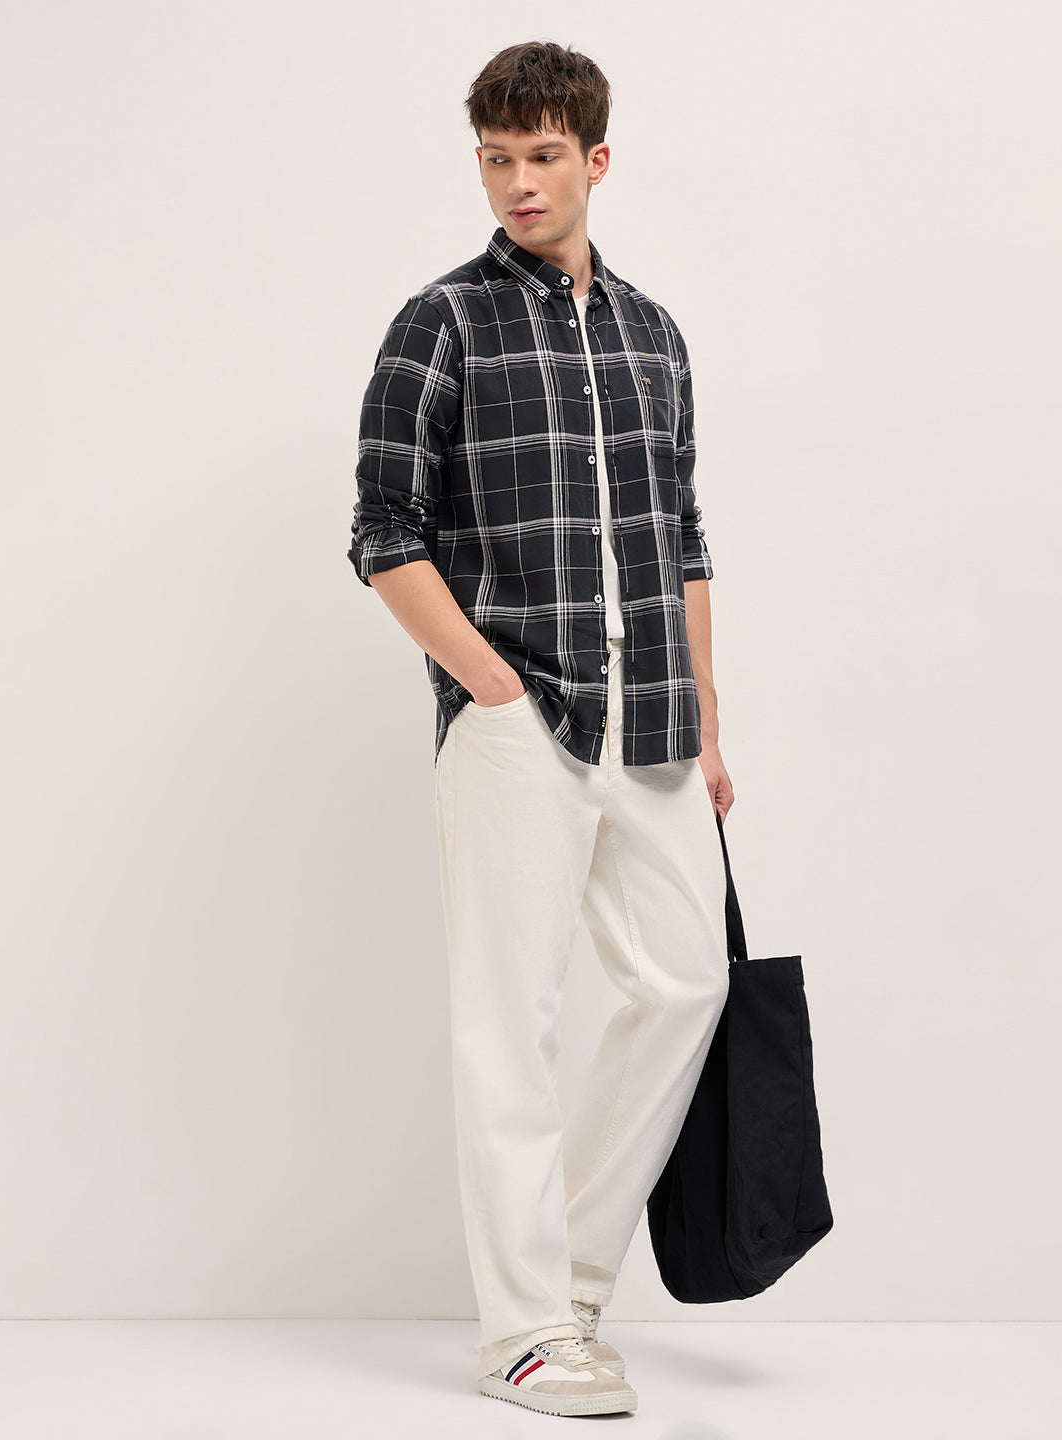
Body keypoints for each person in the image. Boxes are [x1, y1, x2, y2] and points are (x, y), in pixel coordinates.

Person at [347, 39, 734, 1419]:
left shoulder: (653, 332)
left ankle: (564, 1284)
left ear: (595, 160)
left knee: (686, 983)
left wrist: (708, 717)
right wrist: (488, 682)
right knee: (510, 1023)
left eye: (545, 155)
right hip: (518, 715)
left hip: (655, 720)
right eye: (498, 158)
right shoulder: (440, 324)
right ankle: (521, 1336)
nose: (520, 181)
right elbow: (383, 534)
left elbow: (684, 539)